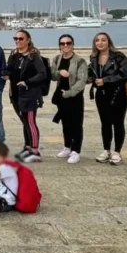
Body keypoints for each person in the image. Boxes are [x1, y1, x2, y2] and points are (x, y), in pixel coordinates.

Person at [3, 30, 46, 163]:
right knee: (24, 121)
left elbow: (42, 74)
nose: (17, 41)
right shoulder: (14, 55)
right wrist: (5, 74)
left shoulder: (34, 57)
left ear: (28, 40)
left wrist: (27, 82)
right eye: (15, 38)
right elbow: (10, 69)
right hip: (16, 95)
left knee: (31, 122)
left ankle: (35, 151)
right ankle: (27, 147)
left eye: (21, 39)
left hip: (29, 94)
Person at [88, 32, 127, 165]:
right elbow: (92, 74)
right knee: (105, 123)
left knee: (118, 123)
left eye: (103, 40)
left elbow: (125, 74)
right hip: (101, 95)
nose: (100, 43)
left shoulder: (119, 57)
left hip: (118, 94)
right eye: (97, 41)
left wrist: (105, 80)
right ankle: (106, 150)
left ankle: (117, 152)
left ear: (109, 42)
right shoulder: (94, 57)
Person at [50, 34, 88, 164]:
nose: (65, 45)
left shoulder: (80, 61)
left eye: (68, 43)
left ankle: (76, 151)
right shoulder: (56, 59)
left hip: (75, 96)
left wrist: (70, 93)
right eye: (62, 43)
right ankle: (67, 146)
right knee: (65, 123)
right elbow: (53, 77)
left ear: (73, 44)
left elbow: (82, 81)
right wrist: (59, 72)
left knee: (76, 124)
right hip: (61, 96)